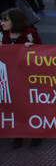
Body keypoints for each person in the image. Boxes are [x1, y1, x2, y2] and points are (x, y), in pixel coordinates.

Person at [0, 8, 42, 148]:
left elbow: (41, 52)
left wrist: (32, 48)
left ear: (15, 21)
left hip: (28, 77)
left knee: (31, 105)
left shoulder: (30, 34)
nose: (2, 23)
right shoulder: (2, 35)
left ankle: (36, 134)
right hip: (10, 77)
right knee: (15, 105)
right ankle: (18, 134)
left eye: (6, 20)